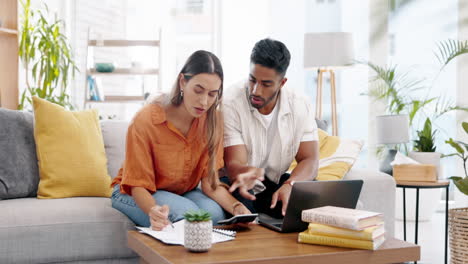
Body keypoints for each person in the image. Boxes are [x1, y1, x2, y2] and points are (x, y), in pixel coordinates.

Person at [111, 50, 251, 231]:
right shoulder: (146, 120)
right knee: (188, 217)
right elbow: (137, 185)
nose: (204, 102)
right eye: (198, 90)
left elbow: (210, 185)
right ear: (183, 81)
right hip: (133, 192)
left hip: (181, 192)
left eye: (212, 94)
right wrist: (153, 210)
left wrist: (236, 207)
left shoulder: (213, 121)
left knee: (215, 215)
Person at [223, 38, 320, 219]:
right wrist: (249, 173)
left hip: (274, 183)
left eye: (266, 84)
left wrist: (290, 185)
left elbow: (310, 160)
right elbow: (234, 164)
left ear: (282, 83)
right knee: (245, 215)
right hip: (238, 183)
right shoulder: (230, 102)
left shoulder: (299, 104)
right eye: (252, 80)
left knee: (310, 201)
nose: (256, 91)